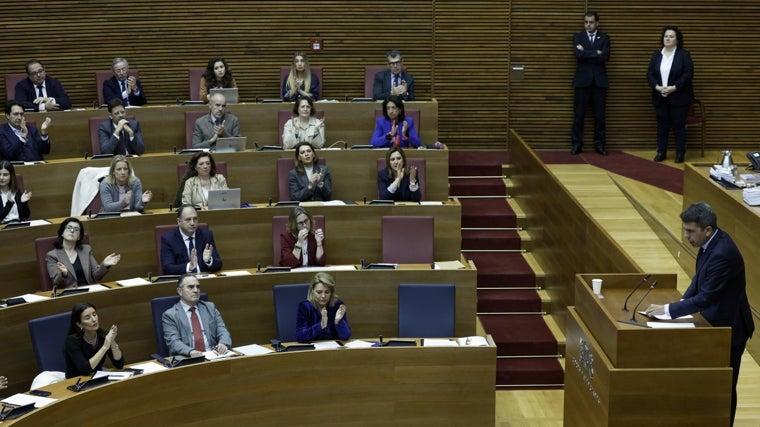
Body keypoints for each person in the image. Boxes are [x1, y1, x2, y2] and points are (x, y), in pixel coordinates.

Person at [645, 202, 754, 425]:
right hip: (714, 322)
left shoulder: (722, 253)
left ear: (707, 230)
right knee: (710, 383)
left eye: (690, 231)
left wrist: (668, 310)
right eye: (685, 230)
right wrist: (681, 304)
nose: (686, 236)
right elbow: (698, 281)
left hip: (730, 329)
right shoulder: (709, 244)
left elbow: (706, 297)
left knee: (725, 385)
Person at [647, 26, 694, 163]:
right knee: (662, 126)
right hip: (660, 96)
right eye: (666, 36)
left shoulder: (683, 55)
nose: (667, 38)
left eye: (671, 36)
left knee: (678, 126)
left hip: (678, 97)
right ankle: (661, 152)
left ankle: (680, 153)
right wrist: (656, 87)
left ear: (677, 40)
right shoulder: (656, 55)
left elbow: (688, 74)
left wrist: (674, 87)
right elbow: (649, 74)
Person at [162, 274, 232, 357]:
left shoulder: (210, 307)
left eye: (198, 287)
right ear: (180, 291)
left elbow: (222, 329)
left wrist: (223, 343)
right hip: (188, 357)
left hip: (213, 355)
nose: (196, 290)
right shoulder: (170, 315)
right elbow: (174, 342)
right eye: (191, 287)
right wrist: (190, 352)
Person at [571, 11, 610, 156]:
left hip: (599, 82)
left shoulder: (605, 37)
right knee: (579, 115)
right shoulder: (578, 37)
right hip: (582, 82)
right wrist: (595, 53)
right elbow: (578, 55)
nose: (588, 24)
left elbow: (605, 56)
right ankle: (576, 144)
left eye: (591, 22)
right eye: (586, 22)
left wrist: (586, 52)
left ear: (597, 23)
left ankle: (599, 145)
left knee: (600, 116)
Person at [46, 218, 120, 289]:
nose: (72, 231)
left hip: (89, 290)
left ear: (79, 236)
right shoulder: (52, 255)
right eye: (69, 227)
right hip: (70, 294)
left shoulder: (86, 250)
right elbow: (56, 284)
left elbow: (96, 276)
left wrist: (104, 265)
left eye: (76, 229)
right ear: (62, 232)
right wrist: (64, 274)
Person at [64, 302, 124, 378]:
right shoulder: (72, 341)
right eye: (87, 318)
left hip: (97, 378)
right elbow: (85, 369)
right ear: (79, 324)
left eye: (94, 314)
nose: (94, 319)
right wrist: (105, 347)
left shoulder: (103, 335)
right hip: (75, 381)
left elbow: (119, 364)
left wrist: (112, 341)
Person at [160, 204, 222, 275]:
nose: (192, 223)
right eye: (188, 219)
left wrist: (209, 261)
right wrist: (189, 266)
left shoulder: (206, 236)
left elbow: (218, 264)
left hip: (203, 279)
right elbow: (167, 268)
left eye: (195, 219)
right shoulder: (168, 239)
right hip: (182, 281)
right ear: (179, 221)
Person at [295, 272, 350, 342]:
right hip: (312, 349)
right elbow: (300, 336)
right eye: (319, 292)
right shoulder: (305, 307)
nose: (323, 296)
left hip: (333, 348)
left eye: (327, 292)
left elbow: (345, 336)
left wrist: (338, 321)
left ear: (331, 293)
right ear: (312, 291)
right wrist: (321, 326)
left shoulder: (337, 306)